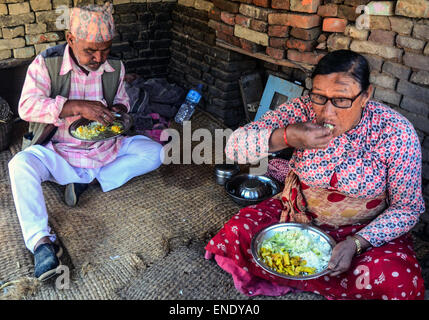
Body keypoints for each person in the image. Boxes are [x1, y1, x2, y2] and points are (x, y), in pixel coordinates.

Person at [205, 50, 426, 300]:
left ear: (366, 95)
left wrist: (357, 242)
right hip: (297, 216)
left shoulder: (395, 132)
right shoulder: (301, 111)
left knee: (397, 282)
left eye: (341, 100)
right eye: (319, 97)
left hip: (365, 230)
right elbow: (233, 148)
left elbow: (407, 208)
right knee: (237, 233)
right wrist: (286, 136)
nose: (327, 112)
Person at [8, 3, 163, 281]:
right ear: (70, 39)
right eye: (90, 50)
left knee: (154, 153)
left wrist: (119, 113)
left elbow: (124, 103)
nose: (97, 57)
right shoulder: (47, 64)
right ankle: (41, 242)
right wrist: (76, 106)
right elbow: (26, 107)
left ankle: (87, 180)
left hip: (104, 148)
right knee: (20, 165)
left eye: (104, 49)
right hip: (59, 151)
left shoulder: (115, 67)